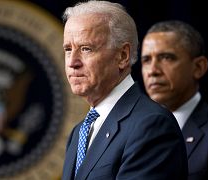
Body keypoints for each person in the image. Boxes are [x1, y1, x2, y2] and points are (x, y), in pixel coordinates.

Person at [61, 1, 188, 180]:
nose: (73, 62)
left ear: (122, 56)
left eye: (86, 49)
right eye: (68, 49)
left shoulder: (151, 125)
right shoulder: (79, 132)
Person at [141, 20, 208, 180]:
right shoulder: (134, 131)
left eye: (166, 58)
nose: (152, 71)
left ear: (198, 67)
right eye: (146, 60)